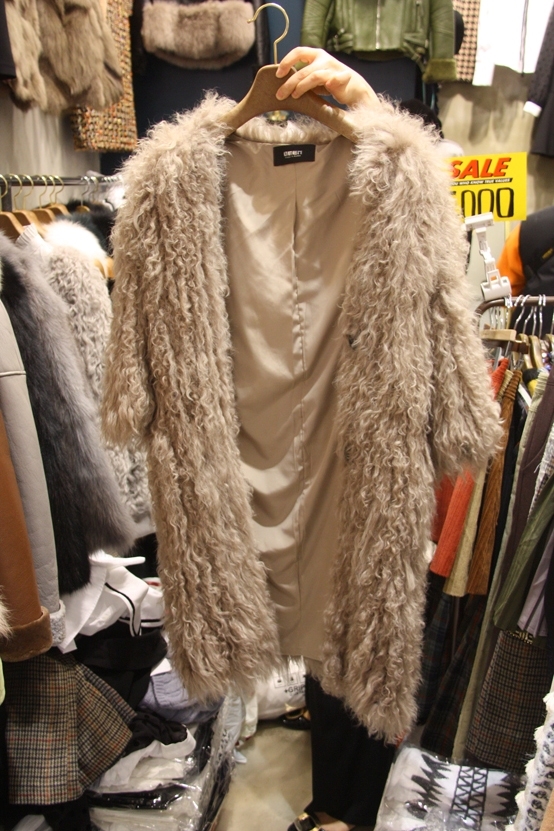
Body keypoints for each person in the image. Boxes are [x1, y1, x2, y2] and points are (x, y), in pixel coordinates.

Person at [273, 48, 397, 831]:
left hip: (362, 442)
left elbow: (419, 191)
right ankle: (335, 799)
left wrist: (362, 97)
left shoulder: (376, 183)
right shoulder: (236, 182)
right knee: (326, 627)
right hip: (294, 444)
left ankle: (347, 807)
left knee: (362, 620)